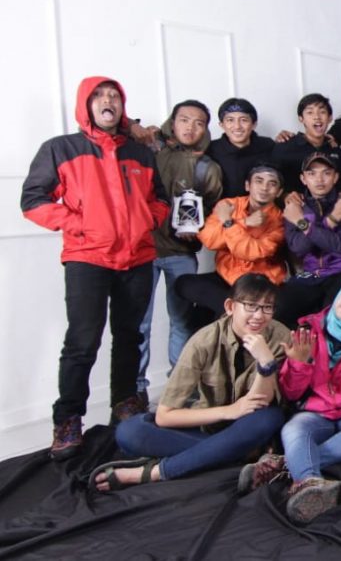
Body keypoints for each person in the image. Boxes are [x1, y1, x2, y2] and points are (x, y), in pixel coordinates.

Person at [21, 76, 170, 460]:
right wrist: (82, 225)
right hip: (88, 258)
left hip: (137, 257)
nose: (108, 101)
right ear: (85, 105)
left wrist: (147, 221)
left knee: (130, 336)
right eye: (100, 96)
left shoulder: (140, 152)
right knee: (83, 341)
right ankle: (68, 419)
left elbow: (161, 200)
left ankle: (125, 404)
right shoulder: (61, 148)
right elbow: (33, 200)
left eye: (115, 96)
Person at [91, 273, 290, 491]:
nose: (259, 315)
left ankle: (153, 472)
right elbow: (165, 415)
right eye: (251, 306)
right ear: (230, 306)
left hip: (251, 428)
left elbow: (262, 402)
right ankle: (239, 455)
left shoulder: (280, 336)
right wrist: (229, 411)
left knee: (269, 418)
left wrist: (266, 363)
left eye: (267, 307)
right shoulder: (203, 342)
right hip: (212, 428)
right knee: (129, 432)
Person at [238, 276, 341, 524]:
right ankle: (309, 480)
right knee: (293, 428)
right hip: (314, 412)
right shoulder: (308, 330)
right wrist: (300, 363)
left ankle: (288, 466)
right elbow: (291, 394)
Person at [138, 99, 224, 401]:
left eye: (199, 123)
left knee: (182, 321)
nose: (191, 127)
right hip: (143, 249)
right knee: (139, 323)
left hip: (181, 252)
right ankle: (135, 392)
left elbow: (211, 211)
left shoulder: (207, 166)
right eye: (184, 120)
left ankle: (180, 388)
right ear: (172, 122)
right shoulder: (148, 150)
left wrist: (197, 230)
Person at [175, 165, 286, 321]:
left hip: (258, 282)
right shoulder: (228, 205)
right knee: (184, 284)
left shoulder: (280, 220)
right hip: (226, 276)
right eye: (259, 181)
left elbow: (251, 252)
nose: (264, 187)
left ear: (279, 192)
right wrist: (244, 222)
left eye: (272, 183)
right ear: (247, 186)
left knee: (209, 317)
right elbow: (209, 240)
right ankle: (236, 312)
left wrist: (228, 223)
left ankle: (236, 314)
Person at [273, 153, 341, 328]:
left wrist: (302, 223)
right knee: (281, 308)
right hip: (310, 274)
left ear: (336, 177)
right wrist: (332, 221)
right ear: (303, 179)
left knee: (335, 314)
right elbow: (299, 248)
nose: (319, 179)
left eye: (326, 173)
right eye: (312, 173)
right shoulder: (295, 207)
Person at [273, 94, 341, 195]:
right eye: (310, 112)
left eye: (322, 112)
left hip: (329, 203)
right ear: (301, 118)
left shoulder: (334, 149)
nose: (317, 117)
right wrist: (284, 197)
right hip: (296, 203)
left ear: (330, 118)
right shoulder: (285, 146)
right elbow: (273, 181)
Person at [206, 98, 276, 198]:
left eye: (244, 120)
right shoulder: (210, 150)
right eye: (230, 120)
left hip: (260, 205)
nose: (237, 126)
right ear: (222, 125)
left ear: (254, 124)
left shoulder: (268, 146)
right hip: (221, 206)